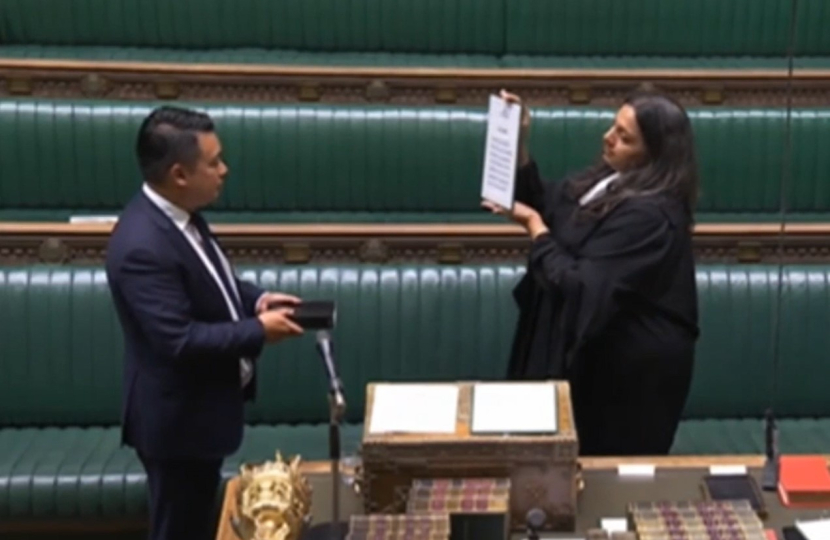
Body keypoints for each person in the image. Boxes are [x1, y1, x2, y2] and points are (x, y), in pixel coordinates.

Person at [105, 106, 305, 540]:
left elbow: (212, 283)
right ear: (179, 174)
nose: (224, 170)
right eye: (213, 162)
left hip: (198, 416)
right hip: (176, 426)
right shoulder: (142, 244)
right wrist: (259, 331)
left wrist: (258, 300)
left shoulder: (179, 216)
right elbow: (178, 339)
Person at [483, 87, 700, 456]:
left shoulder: (652, 216)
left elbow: (579, 284)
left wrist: (534, 227)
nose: (608, 138)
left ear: (653, 156)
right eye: (613, 127)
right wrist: (517, 144)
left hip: (620, 380)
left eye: (624, 137)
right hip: (588, 355)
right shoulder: (610, 180)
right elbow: (551, 206)